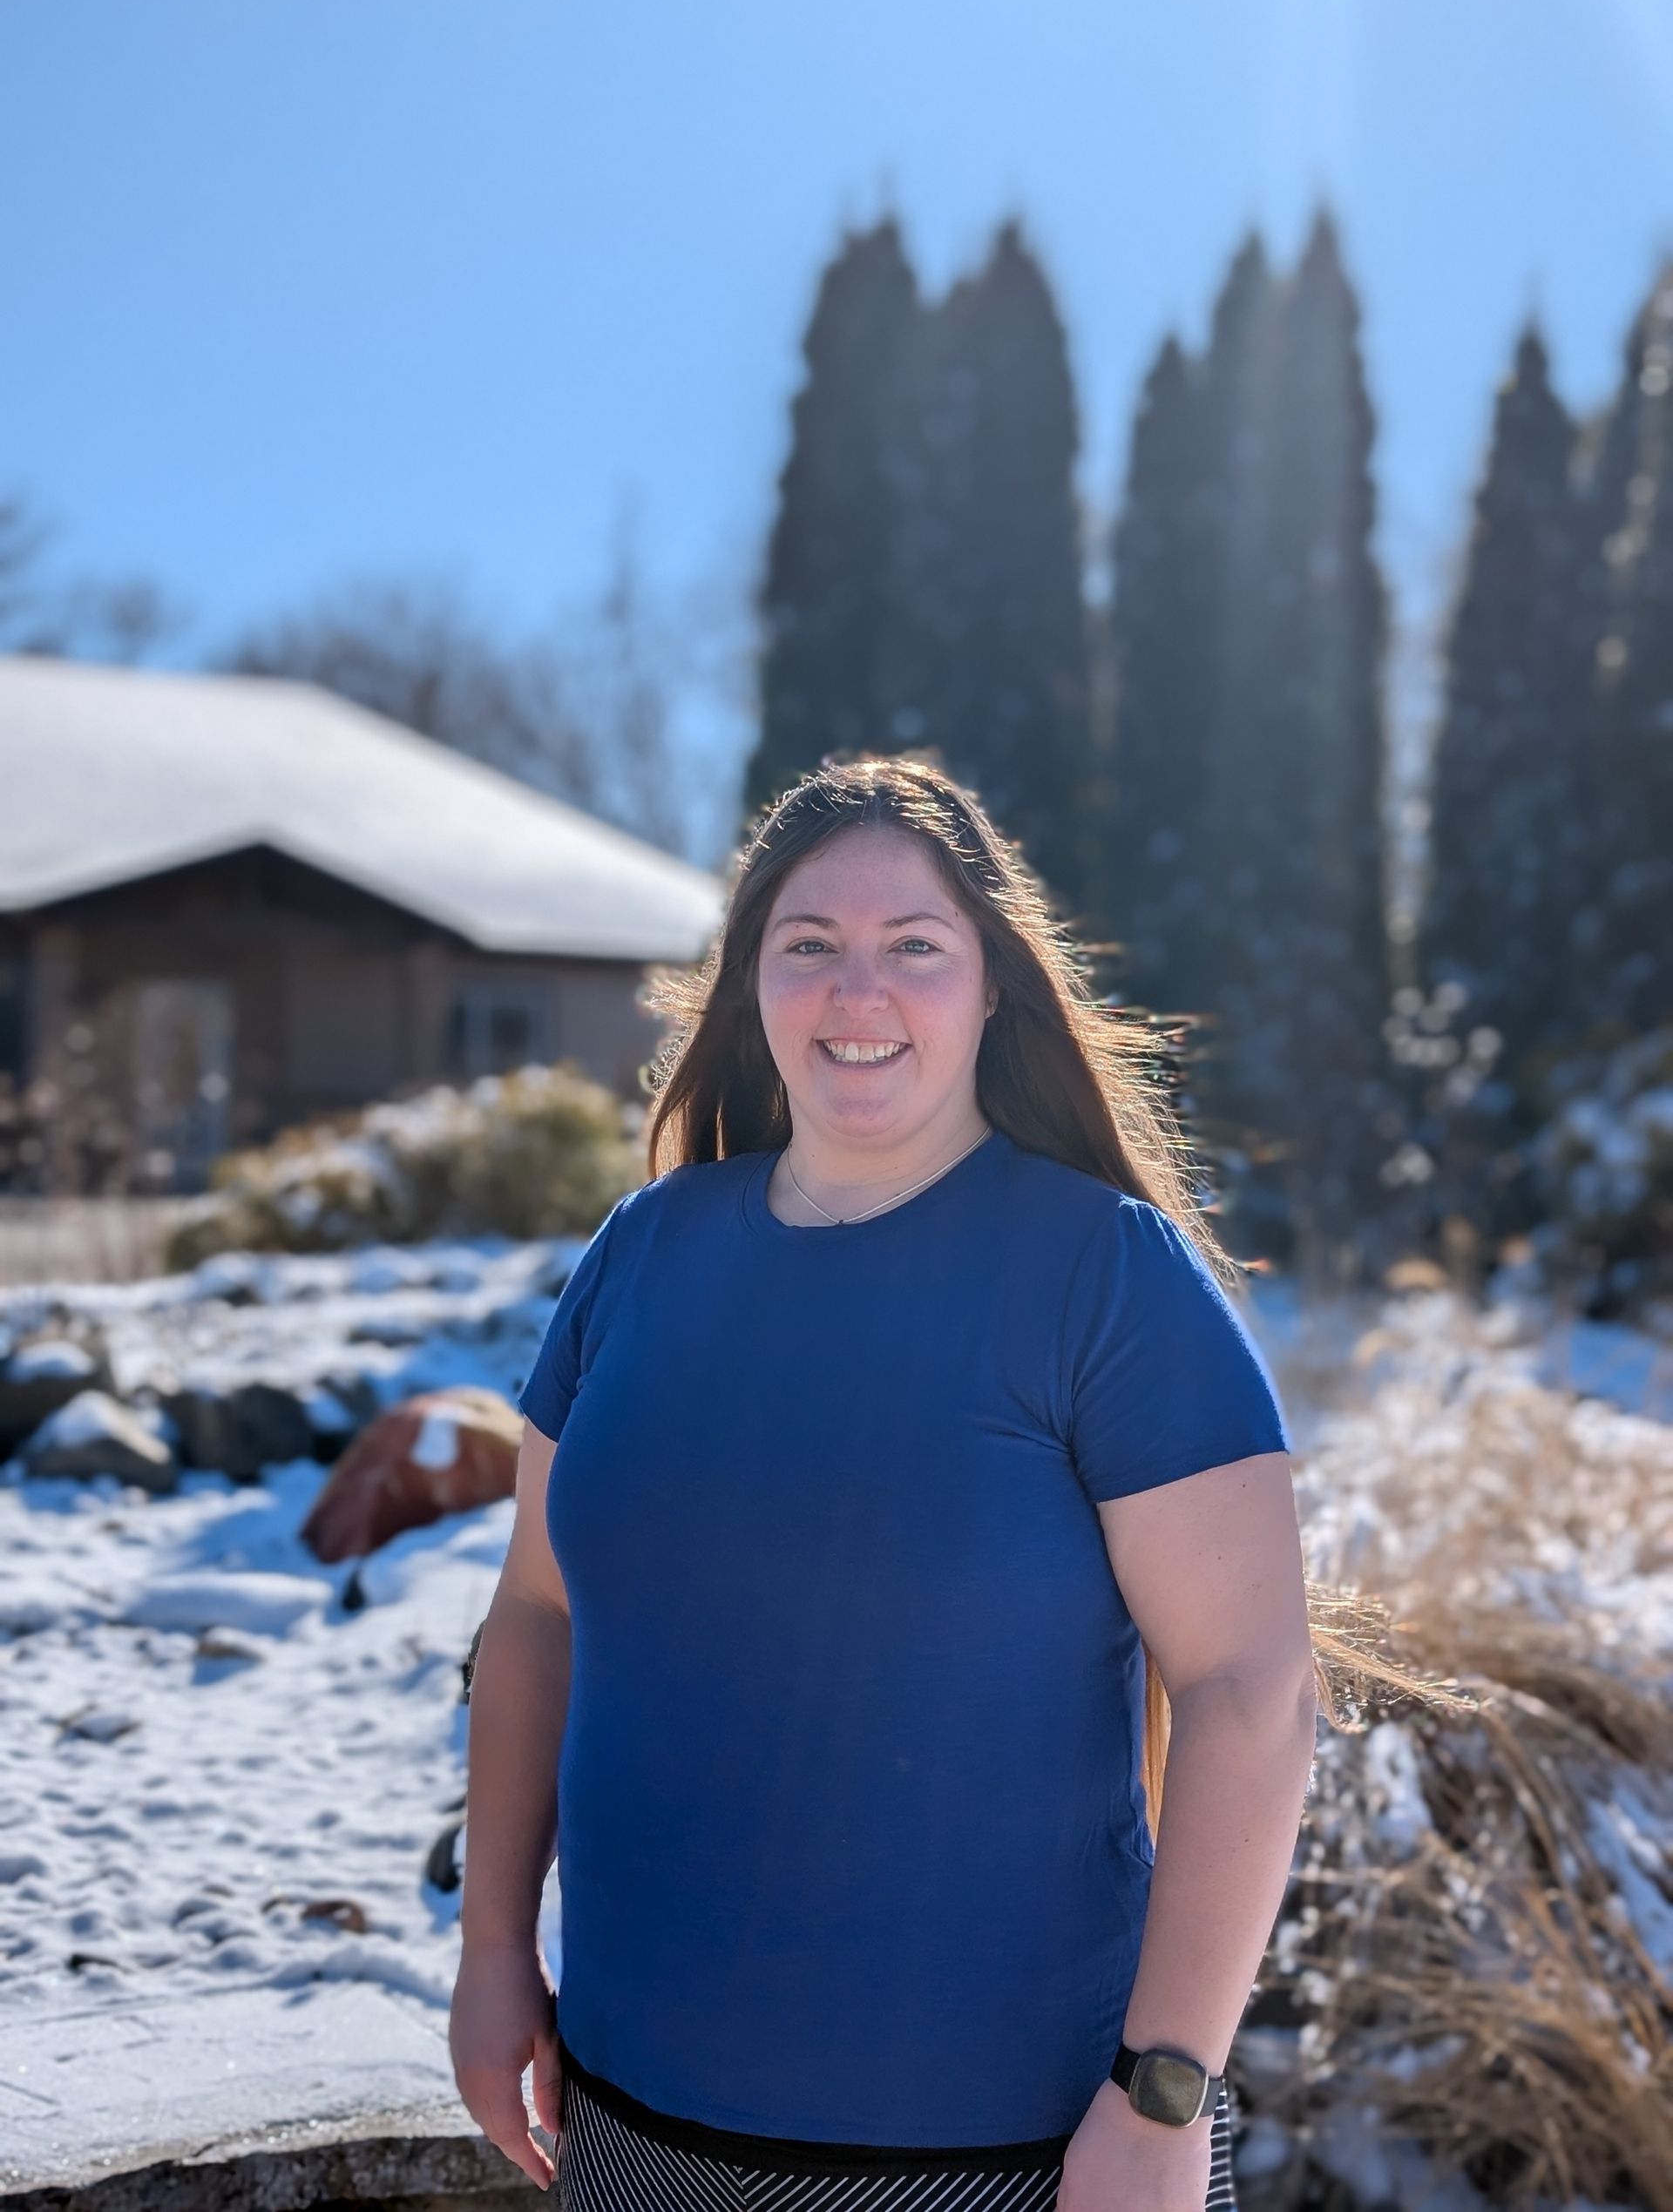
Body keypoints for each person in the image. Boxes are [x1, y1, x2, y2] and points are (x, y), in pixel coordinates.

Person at [450, 754, 1320, 2212]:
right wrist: (491, 1952)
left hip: (1007, 2162)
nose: (859, 992)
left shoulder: (1108, 1278)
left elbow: (1254, 1690)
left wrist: (1163, 2094)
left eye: (915, 945)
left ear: (993, 987)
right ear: (750, 985)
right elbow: (536, 1615)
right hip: (624, 2132)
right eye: (810, 945)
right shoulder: (642, 1252)